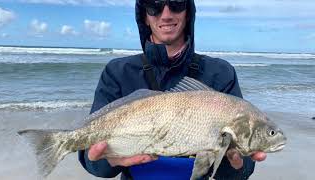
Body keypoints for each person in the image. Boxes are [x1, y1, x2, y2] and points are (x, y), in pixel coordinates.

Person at [78, 0, 266, 179]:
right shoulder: (117, 72)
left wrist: (237, 164)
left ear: (188, 12)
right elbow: (92, 160)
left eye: (176, 3)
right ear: (144, 15)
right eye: (154, 5)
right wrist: (105, 161)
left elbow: (240, 172)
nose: (166, 15)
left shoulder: (220, 73)